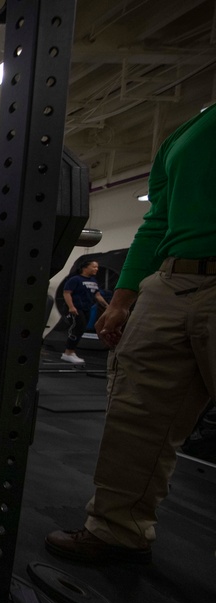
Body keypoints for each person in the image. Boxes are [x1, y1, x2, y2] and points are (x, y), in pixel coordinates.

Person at [45, 104, 216, 565]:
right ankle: (118, 529)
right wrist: (121, 299)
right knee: (135, 416)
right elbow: (158, 220)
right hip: (171, 280)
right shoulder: (186, 133)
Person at [59, 259, 110, 364]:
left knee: (81, 329)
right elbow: (66, 293)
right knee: (77, 328)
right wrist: (71, 307)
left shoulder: (94, 281)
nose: (96, 269)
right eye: (94, 266)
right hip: (75, 309)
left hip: (86, 309)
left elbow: (98, 295)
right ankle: (67, 353)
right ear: (85, 268)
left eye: (97, 267)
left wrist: (108, 306)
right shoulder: (75, 279)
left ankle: (71, 352)